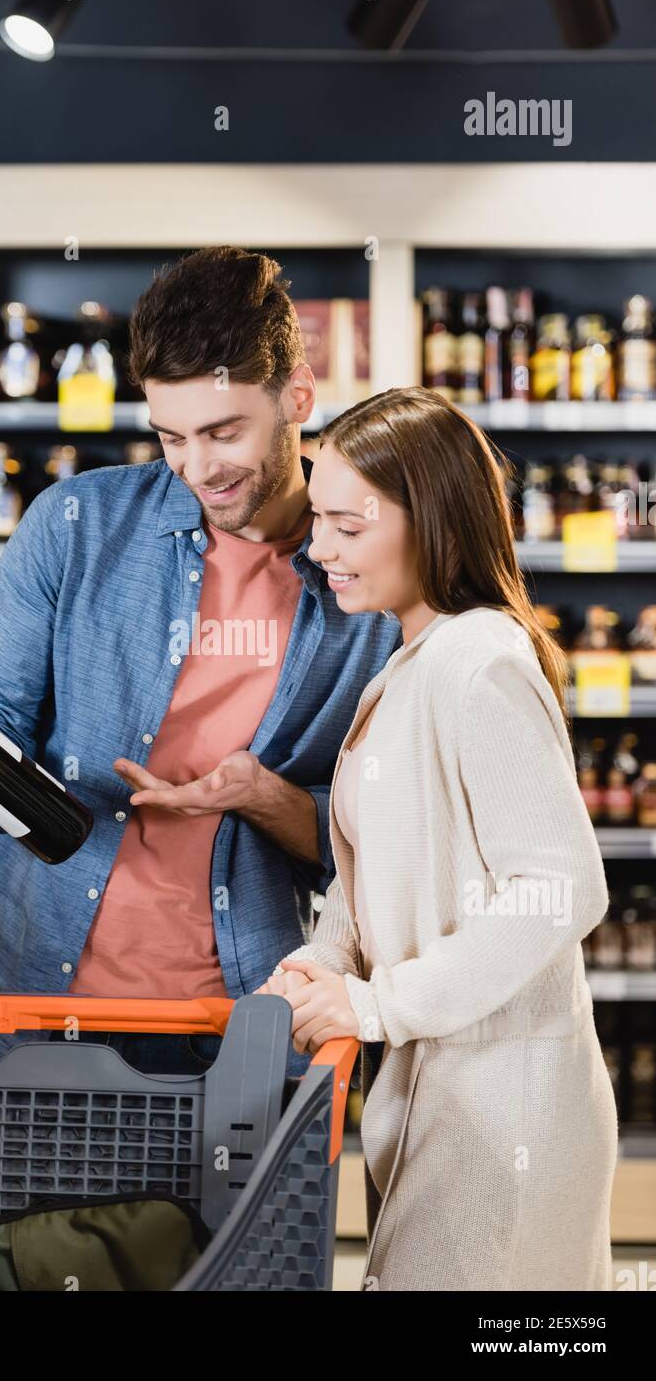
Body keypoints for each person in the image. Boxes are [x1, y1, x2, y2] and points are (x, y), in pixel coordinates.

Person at [0, 247, 400, 1075]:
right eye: (170, 436)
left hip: (240, 1021)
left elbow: (385, 846)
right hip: (25, 997)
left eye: (224, 432)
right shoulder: (73, 524)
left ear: (297, 397)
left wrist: (265, 799)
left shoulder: (370, 580)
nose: (197, 466)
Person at [256, 386, 618, 1291]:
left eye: (348, 524)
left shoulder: (477, 661)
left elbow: (559, 887)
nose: (318, 546)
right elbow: (376, 859)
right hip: (440, 1094)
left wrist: (378, 1006)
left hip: (506, 1113)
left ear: (431, 519)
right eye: (318, 520)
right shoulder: (412, 657)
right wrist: (325, 959)